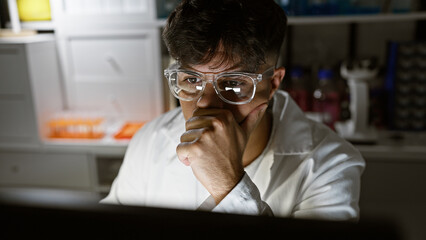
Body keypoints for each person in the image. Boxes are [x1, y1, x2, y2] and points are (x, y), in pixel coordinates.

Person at [101, 0, 365, 221]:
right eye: (191, 80)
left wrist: (229, 185)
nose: (205, 104)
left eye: (234, 83)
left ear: (272, 84)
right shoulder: (151, 140)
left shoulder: (330, 165)